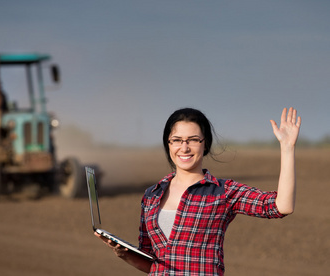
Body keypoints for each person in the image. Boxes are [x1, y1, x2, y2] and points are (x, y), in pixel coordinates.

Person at [96, 107, 301, 275]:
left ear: (205, 145)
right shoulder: (152, 195)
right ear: (168, 144)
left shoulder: (223, 192)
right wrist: (125, 255)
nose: (184, 148)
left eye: (193, 140)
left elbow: (280, 206)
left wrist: (287, 147)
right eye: (177, 140)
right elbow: (152, 264)